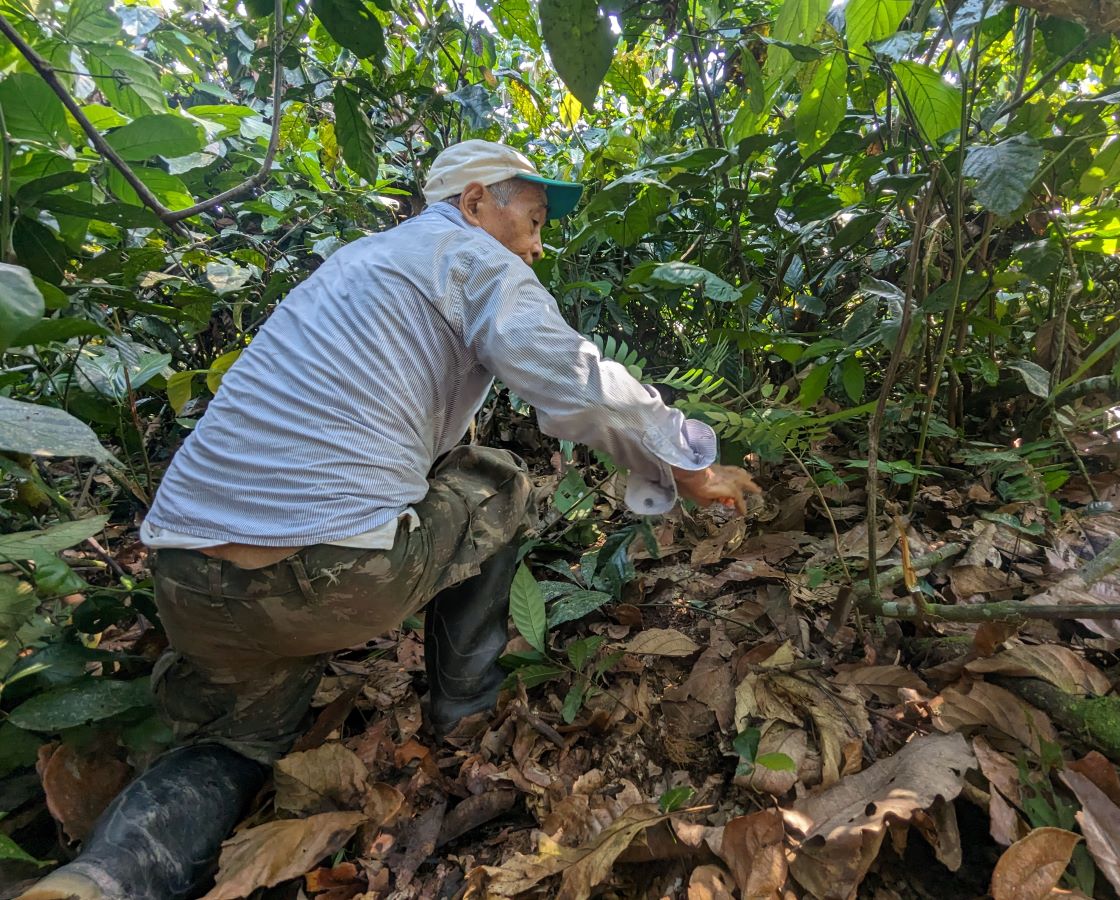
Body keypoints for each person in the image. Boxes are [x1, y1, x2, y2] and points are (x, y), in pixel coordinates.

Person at [19, 140, 760, 900]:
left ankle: (101, 877)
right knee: (496, 477)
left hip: (186, 575)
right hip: (328, 575)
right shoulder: (467, 257)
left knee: (236, 742)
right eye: (533, 221)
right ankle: (462, 712)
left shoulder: (356, 262)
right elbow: (580, 382)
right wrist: (688, 465)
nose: (537, 247)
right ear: (475, 203)